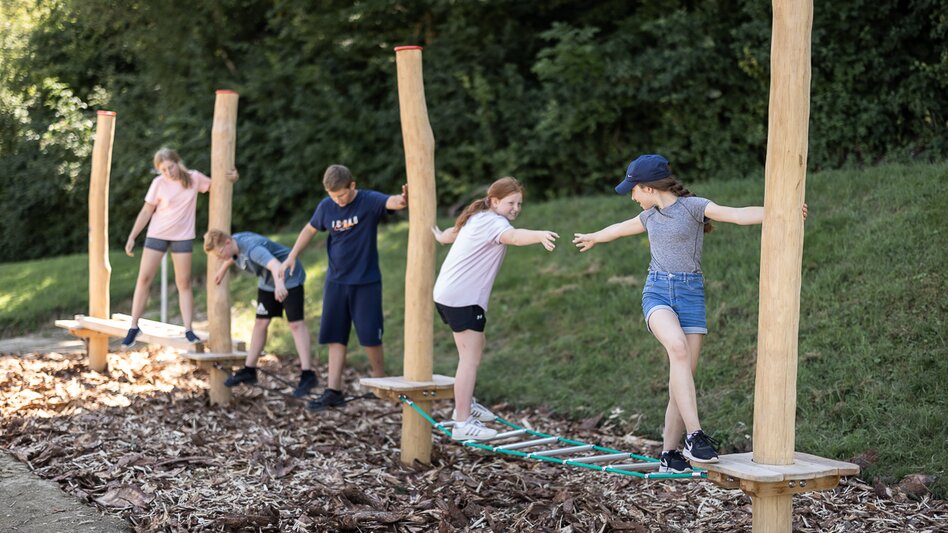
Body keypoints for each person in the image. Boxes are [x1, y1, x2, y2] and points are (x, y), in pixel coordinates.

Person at [572, 154, 806, 473]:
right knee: (678, 350)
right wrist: (594, 237)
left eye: (633, 190)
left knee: (682, 380)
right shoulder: (648, 217)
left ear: (649, 188)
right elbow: (619, 229)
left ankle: (670, 455)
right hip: (657, 292)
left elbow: (735, 215)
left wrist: (782, 211)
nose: (632, 196)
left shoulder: (693, 207)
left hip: (691, 296)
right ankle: (695, 437)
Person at [432, 177, 558, 441]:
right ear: (494, 201)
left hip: (447, 294)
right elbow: (513, 236)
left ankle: (465, 405)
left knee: (474, 349)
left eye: (519, 203)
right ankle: (462, 422)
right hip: (463, 298)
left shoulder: (477, 216)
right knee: (469, 359)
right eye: (511, 203)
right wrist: (538, 235)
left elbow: (449, 235)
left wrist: (438, 235)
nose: (515, 208)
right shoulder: (493, 223)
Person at [281, 164, 407, 411]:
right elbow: (310, 228)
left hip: (366, 281)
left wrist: (404, 199)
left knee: (371, 336)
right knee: (335, 336)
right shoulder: (326, 206)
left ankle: (379, 383)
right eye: (332, 196)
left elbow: (393, 202)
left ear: (352, 185)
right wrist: (293, 254)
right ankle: (333, 390)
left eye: (341, 195)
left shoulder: (368, 201)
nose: (337, 201)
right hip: (336, 281)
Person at [122, 148, 238, 348]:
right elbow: (146, 210)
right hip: (157, 234)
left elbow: (218, 187)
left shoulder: (194, 178)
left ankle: (188, 329)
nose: (168, 173)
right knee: (144, 278)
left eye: (171, 167)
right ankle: (134, 326)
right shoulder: (158, 183)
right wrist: (133, 236)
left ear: (178, 162)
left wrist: (233, 178)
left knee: (183, 282)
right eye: (163, 170)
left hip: (182, 237)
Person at [204, 230, 318, 398]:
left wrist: (280, 286)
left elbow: (275, 265)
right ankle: (249, 370)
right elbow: (232, 256)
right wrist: (222, 270)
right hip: (267, 280)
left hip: (288, 276)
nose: (219, 257)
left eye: (220, 253)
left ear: (228, 243)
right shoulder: (233, 244)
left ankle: (308, 375)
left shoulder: (253, 249)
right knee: (260, 323)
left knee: (295, 324)